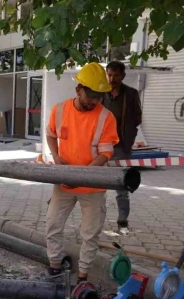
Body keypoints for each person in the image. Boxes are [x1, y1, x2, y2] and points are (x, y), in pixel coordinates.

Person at [45, 63, 119, 281]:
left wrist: (82, 175)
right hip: (64, 183)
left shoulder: (106, 117)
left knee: (90, 233)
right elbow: (51, 134)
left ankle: (83, 276)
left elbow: (105, 153)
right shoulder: (59, 110)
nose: (95, 101)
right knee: (53, 225)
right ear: (78, 90)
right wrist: (56, 156)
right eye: (91, 95)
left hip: (92, 185)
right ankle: (55, 266)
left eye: (99, 96)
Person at [102, 61, 142, 236]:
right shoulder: (100, 92)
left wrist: (127, 134)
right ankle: (96, 221)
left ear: (123, 76)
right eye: (110, 75)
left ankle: (122, 221)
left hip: (120, 147)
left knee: (121, 188)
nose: (112, 78)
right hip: (100, 147)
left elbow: (138, 118)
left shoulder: (131, 94)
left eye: (116, 75)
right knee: (96, 186)